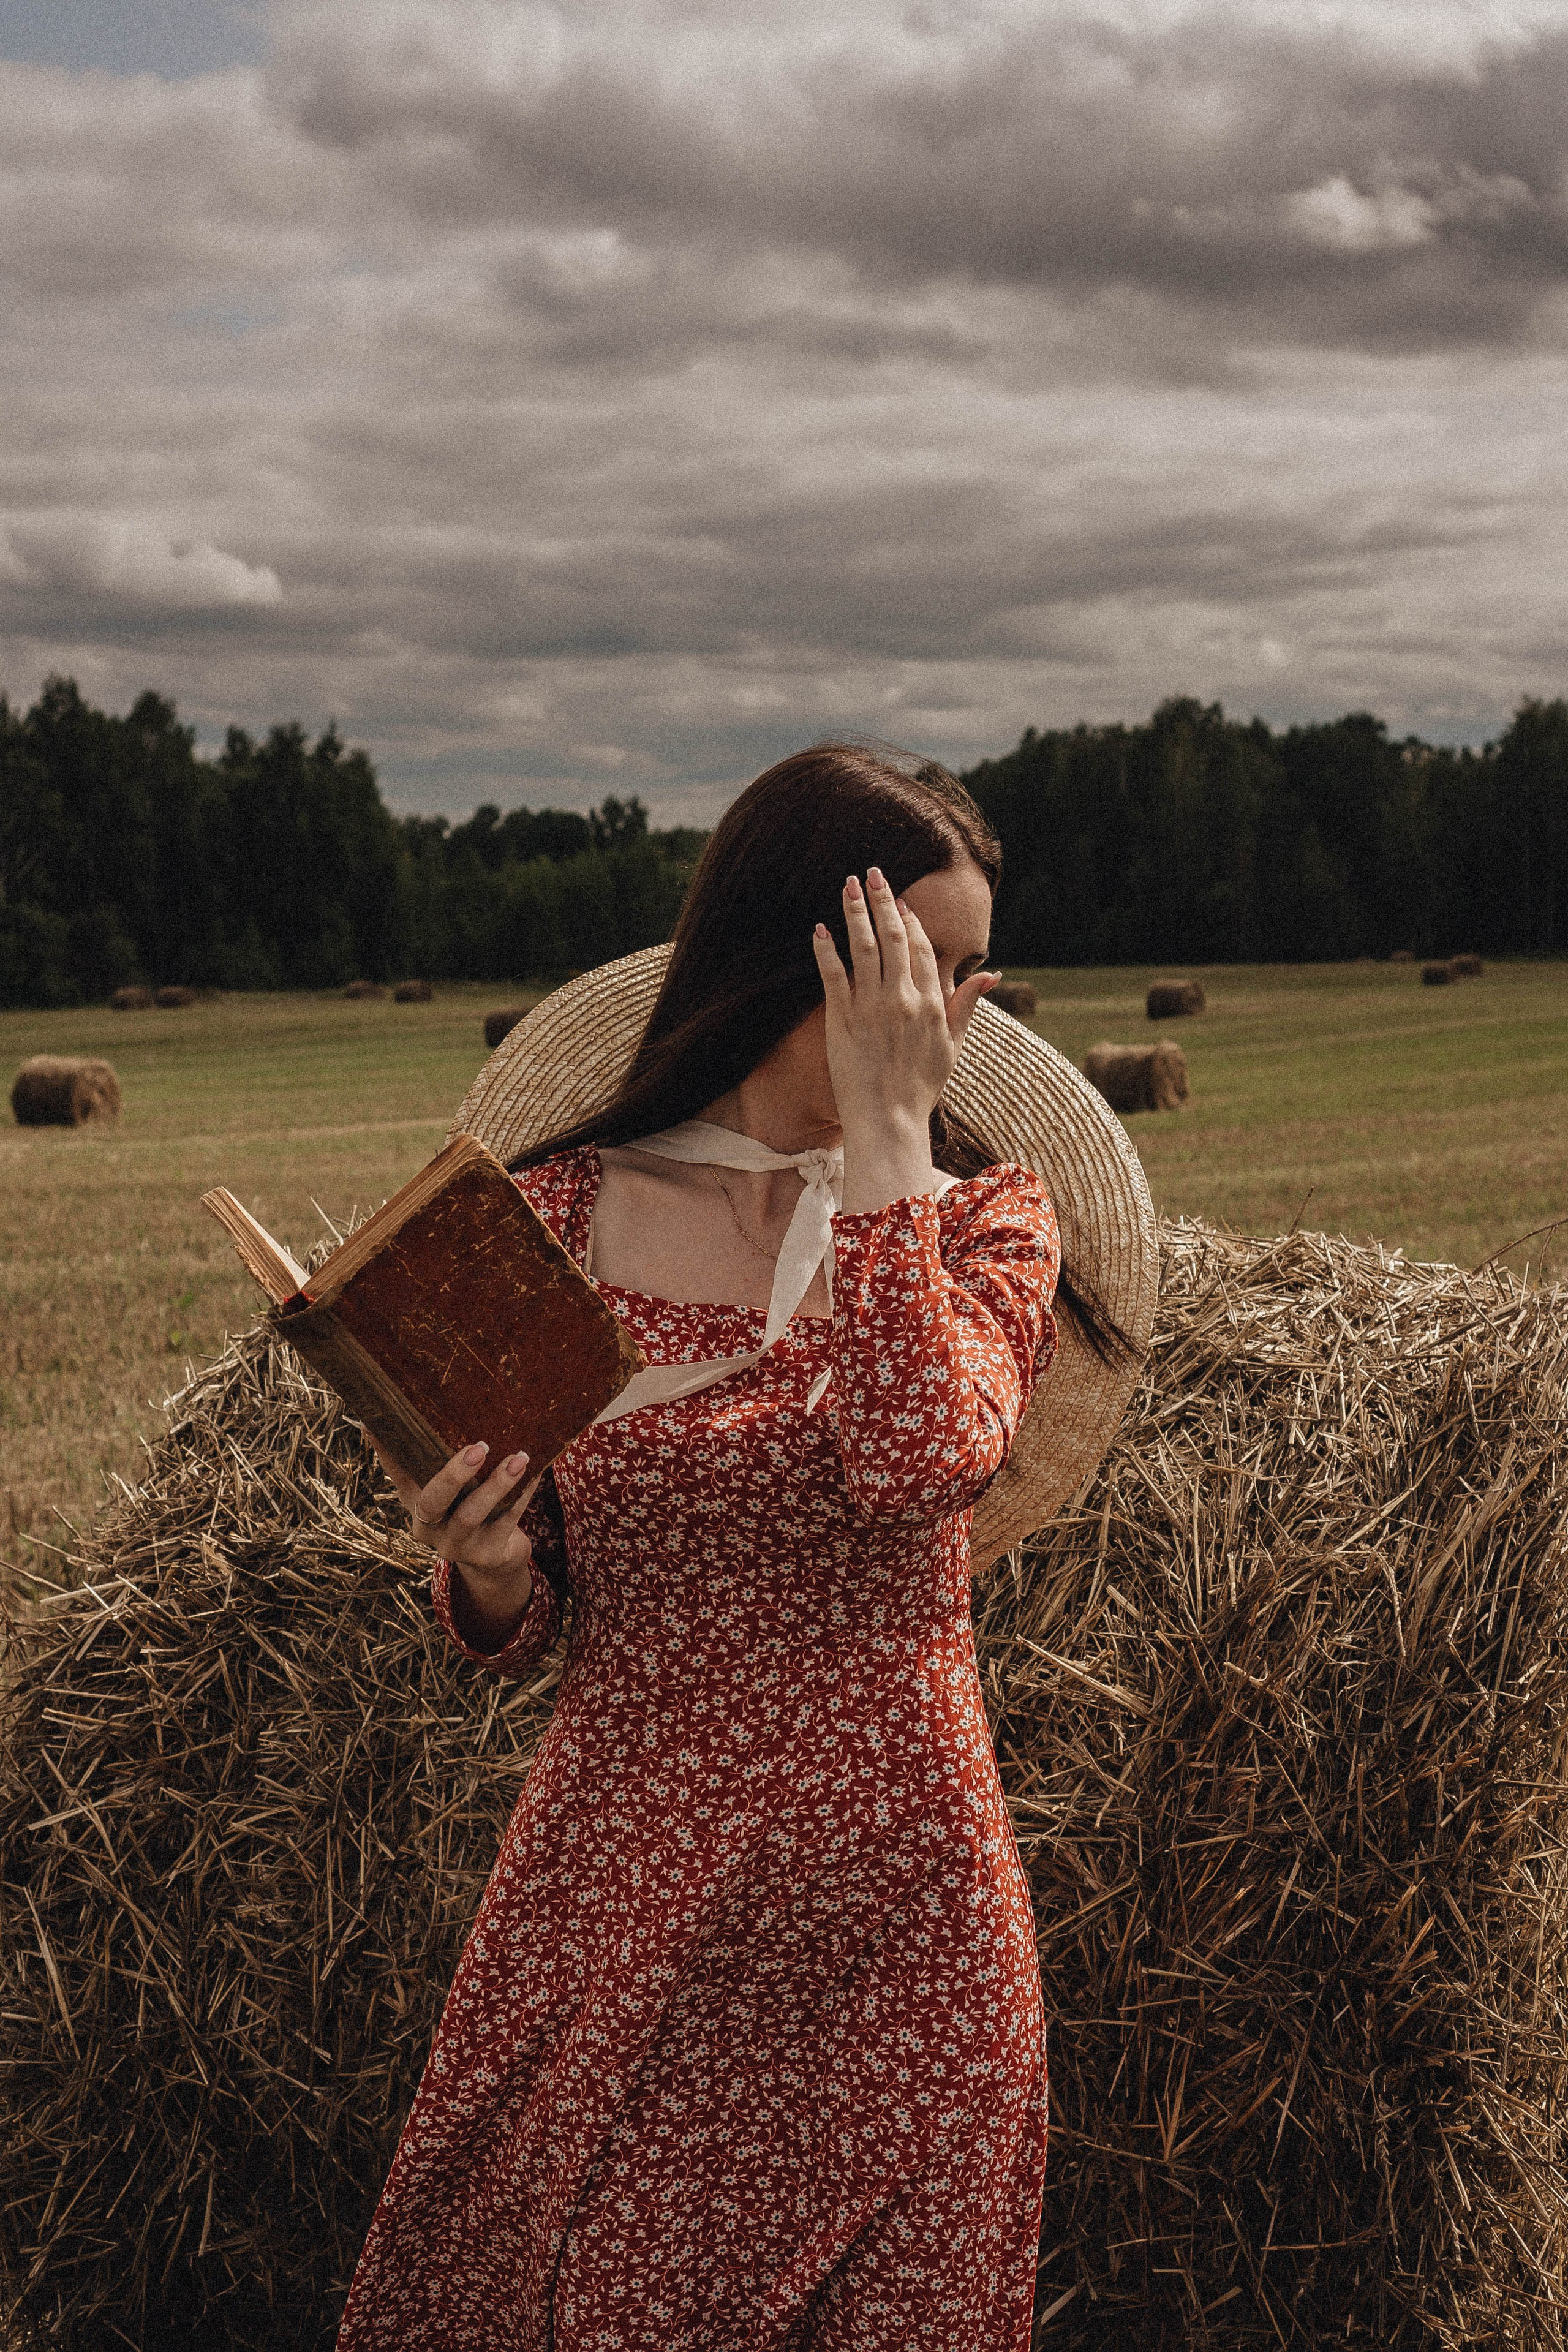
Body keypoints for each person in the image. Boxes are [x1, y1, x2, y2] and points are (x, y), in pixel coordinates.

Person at [337, 745, 1116, 2351]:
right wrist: (484, 1562)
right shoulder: (551, 1219)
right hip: (632, 1916)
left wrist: (894, 1143)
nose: (956, 1016)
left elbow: (919, 1460)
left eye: (977, 977)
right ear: (809, 950)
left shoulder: (988, 1224)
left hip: (913, 1949)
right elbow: (531, 1600)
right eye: (926, 968)